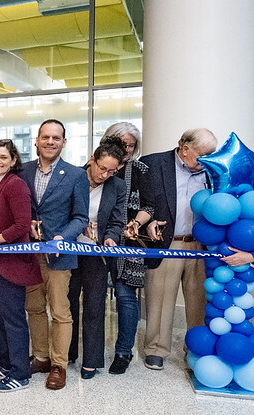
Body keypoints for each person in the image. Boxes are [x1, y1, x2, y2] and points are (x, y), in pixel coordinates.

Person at [19, 119, 89, 390]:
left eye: (56, 138)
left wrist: (63, 237)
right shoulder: (22, 171)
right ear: (36, 140)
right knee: (34, 307)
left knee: (60, 311)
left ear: (64, 142)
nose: (50, 142)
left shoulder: (75, 175)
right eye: (45, 137)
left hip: (60, 255)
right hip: (28, 254)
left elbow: (80, 216)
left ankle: (59, 365)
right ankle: (41, 357)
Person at [140, 128, 217, 371]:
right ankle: (156, 349)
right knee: (160, 297)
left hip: (201, 245)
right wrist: (147, 222)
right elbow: (137, 203)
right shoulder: (152, 164)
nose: (207, 160)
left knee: (199, 300)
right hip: (168, 242)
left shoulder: (214, 170)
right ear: (185, 149)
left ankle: (195, 348)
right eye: (203, 155)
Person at [0, 139, 42, 392]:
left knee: (13, 318)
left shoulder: (16, 185)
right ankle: (4, 364)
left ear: (13, 161)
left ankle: (20, 373)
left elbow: (22, 225)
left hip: (11, 262)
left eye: (3, 157)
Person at [67, 137, 126, 379]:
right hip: (69, 250)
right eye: (103, 168)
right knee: (67, 304)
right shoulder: (72, 177)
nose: (106, 175)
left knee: (94, 305)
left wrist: (110, 237)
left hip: (97, 253)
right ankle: (67, 353)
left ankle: (91, 359)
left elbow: (116, 220)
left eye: (112, 171)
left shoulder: (117, 187)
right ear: (92, 159)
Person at [100, 122, 155, 375]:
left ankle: (123, 351)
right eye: (122, 144)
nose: (127, 149)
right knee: (92, 297)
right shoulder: (96, 169)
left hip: (130, 243)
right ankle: (91, 349)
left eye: (131, 145)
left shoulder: (142, 170)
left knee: (125, 297)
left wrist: (134, 223)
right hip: (97, 243)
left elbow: (150, 206)